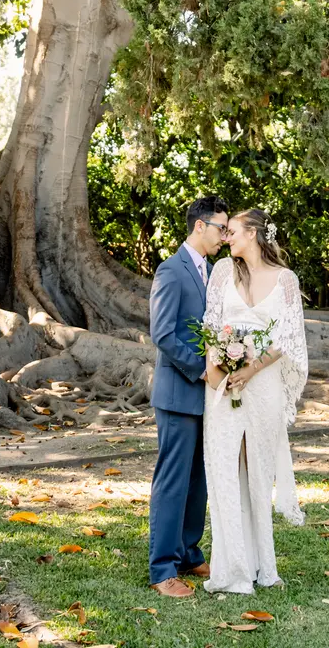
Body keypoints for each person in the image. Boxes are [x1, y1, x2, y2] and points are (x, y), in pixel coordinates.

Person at [201, 208, 307, 594]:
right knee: (225, 469)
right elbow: (211, 326)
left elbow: (289, 338)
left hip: (263, 386)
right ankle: (232, 569)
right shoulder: (222, 274)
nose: (226, 238)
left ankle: (264, 566)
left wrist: (251, 368)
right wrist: (221, 372)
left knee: (258, 473)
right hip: (225, 385)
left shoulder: (285, 280)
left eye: (232, 232)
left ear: (254, 234)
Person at [148, 193, 230, 599]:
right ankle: (163, 568)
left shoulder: (211, 272)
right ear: (200, 226)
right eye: (221, 228)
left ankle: (188, 553)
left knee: (199, 479)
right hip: (178, 393)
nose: (225, 236)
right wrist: (203, 370)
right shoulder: (171, 271)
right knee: (173, 481)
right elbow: (162, 334)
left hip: (204, 398)